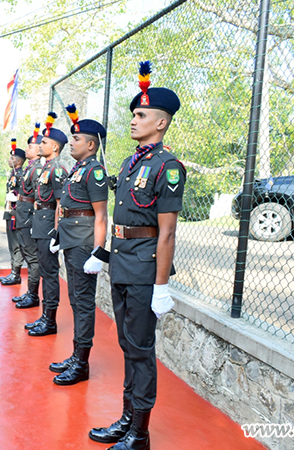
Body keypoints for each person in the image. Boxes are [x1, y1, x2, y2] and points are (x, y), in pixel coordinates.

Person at [88, 61, 186, 450]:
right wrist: (104, 253)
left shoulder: (167, 166)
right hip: (124, 264)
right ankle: (128, 420)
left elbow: (167, 231)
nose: (133, 120)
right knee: (129, 345)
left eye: (141, 115)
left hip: (146, 270)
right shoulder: (132, 164)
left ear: (160, 123)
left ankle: (140, 435)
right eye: (133, 114)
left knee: (142, 352)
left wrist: (161, 286)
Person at [50, 104, 109, 386]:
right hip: (71, 239)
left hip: (84, 243)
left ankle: (82, 363)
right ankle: (76, 355)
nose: (70, 143)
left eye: (75, 139)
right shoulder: (78, 169)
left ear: (90, 144)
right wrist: (58, 235)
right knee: (75, 299)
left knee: (83, 303)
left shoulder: (94, 171)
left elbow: (100, 215)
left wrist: (98, 251)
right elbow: (70, 208)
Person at [26, 112, 69, 336]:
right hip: (39, 223)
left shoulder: (57, 169)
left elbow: (60, 204)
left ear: (55, 147)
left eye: (44, 142)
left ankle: (50, 320)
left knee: (50, 274)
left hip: (48, 226)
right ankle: (44, 316)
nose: (39, 144)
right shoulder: (43, 168)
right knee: (44, 271)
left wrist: (56, 232)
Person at [12, 125, 43, 308]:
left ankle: (33, 294)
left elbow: (40, 197)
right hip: (22, 213)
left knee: (32, 257)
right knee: (26, 252)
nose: (28, 149)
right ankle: (29, 292)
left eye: (31, 146)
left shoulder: (38, 169)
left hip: (29, 215)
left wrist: (32, 220)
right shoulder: (30, 168)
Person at [0, 139, 25, 286]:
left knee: (16, 244)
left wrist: (15, 199)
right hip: (10, 212)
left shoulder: (21, 175)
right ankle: (13, 272)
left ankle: (16, 274)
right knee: (11, 244)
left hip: (16, 214)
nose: (9, 160)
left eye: (12, 158)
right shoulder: (13, 173)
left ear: (19, 161)